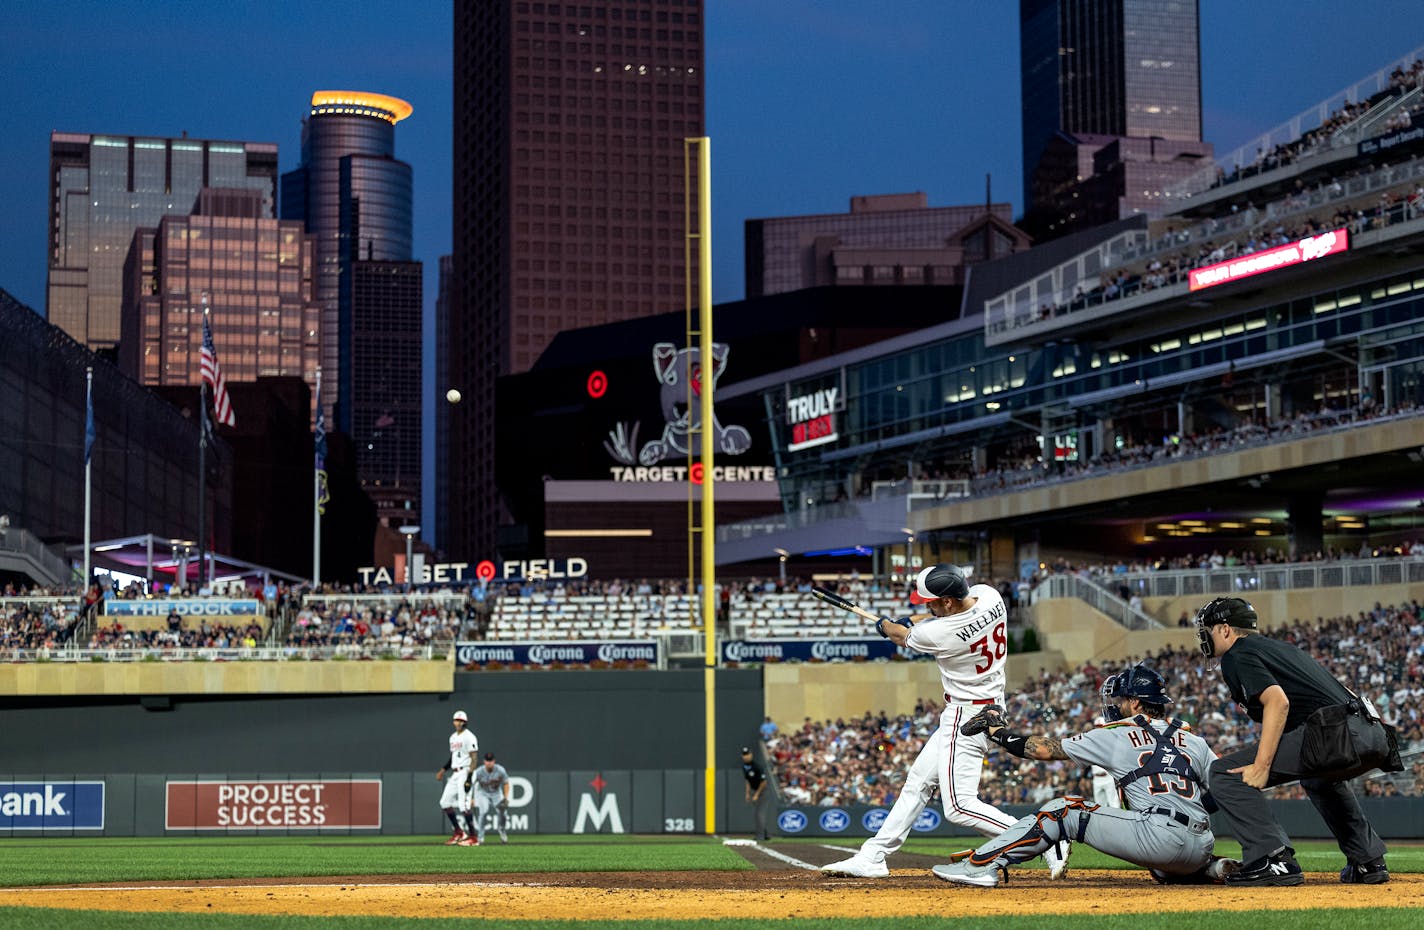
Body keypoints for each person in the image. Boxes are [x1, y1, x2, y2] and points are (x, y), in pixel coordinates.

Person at [822, 564, 1066, 879]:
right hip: (989, 706)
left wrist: (885, 624)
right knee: (918, 783)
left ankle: (1046, 838)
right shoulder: (990, 597)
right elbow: (933, 622)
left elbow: (900, 636)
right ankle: (874, 855)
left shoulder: (941, 633)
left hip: (966, 716)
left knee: (959, 806)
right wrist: (912, 620)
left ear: (948, 601)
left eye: (931, 602)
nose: (926, 606)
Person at [932, 664, 1238, 887]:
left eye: (1120, 699)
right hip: (1201, 844)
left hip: (1158, 836)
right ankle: (1212, 868)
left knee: (1063, 811)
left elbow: (1041, 750)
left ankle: (980, 866)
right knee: (1162, 870)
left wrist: (997, 731)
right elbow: (1226, 789)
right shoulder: (1193, 739)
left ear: (1134, 702)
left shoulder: (1117, 733)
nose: (1116, 705)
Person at [1195, 596, 1398, 886]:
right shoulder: (1281, 648)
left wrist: (1262, 765)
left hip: (1335, 732)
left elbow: (1278, 702)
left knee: (1224, 774)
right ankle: (1368, 861)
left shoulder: (1236, 654)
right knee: (1319, 779)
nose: (1205, 636)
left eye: (1209, 629)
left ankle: (1272, 859)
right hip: (1372, 731)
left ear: (1225, 629)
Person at [435, 710, 479, 845]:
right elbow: (454, 756)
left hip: (466, 770)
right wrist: (443, 770)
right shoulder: (453, 737)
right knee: (444, 802)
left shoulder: (469, 736)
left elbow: (474, 758)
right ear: (454, 722)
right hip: (455, 772)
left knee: (464, 805)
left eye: (461, 721)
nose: (459, 723)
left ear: (465, 723)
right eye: (457, 720)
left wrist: (469, 777)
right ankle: (459, 832)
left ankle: (473, 837)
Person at [468, 751, 512, 844]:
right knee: (483, 811)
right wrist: (471, 798)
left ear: (494, 761)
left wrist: (506, 797)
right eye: (487, 761)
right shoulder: (479, 771)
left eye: (491, 760)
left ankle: (502, 831)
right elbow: (471, 784)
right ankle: (480, 837)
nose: (489, 763)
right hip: (483, 793)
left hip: (496, 793)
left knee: (503, 812)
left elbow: (506, 783)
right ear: (484, 761)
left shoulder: (500, 770)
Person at [741, 746, 771, 841]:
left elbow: (763, 782)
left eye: (747, 754)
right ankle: (765, 834)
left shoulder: (757, 766)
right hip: (755, 791)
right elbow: (747, 781)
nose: (746, 756)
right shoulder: (745, 767)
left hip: (763, 791)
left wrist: (756, 794)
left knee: (759, 814)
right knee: (758, 813)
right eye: (744, 755)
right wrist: (747, 793)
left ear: (751, 754)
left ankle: (760, 836)